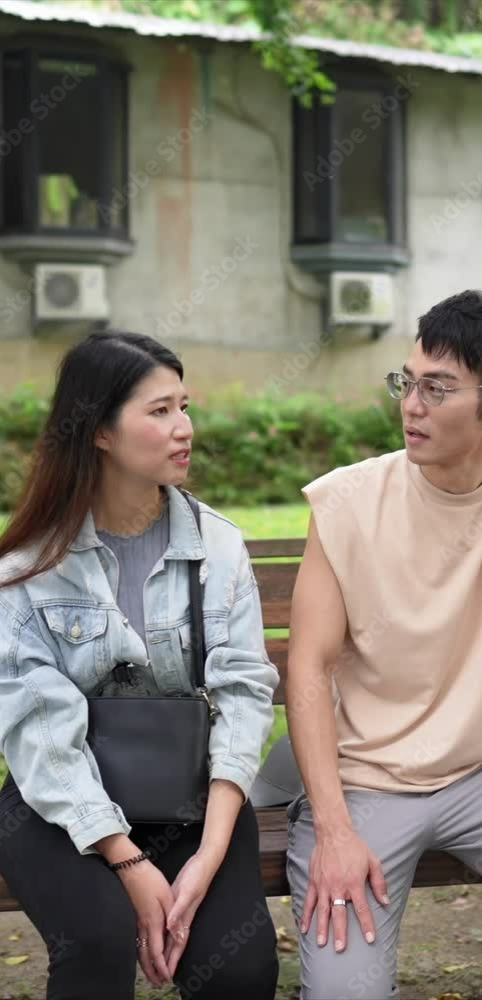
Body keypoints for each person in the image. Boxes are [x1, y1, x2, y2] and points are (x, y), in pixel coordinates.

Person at [0, 331, 279, 1000]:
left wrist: (209, 856)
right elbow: (40, 735)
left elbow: (244, 695)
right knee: (99, 944)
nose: (183, 428)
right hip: (61, 805)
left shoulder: (219, 547)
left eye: (184, 406)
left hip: (192, 799)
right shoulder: (31, 568)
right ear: (100, 432)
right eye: (159, 411)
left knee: (239, 972)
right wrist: (129, 863)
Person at [286, 289, 482, 1000]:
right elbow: (307, 666)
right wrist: (333, 830)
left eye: (438, 389)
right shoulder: (348, 501)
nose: (411, 405)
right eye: (407, 382)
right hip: (365, 784)